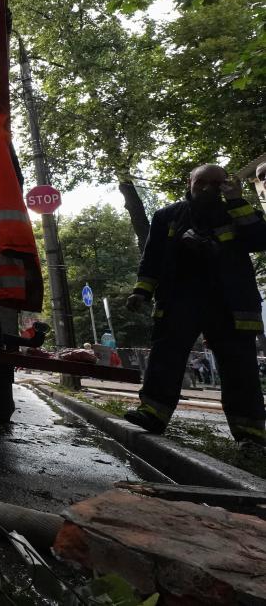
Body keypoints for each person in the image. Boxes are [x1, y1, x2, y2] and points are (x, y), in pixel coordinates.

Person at [124, 164, 266, 449]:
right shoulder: (167, 216)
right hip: (180, 299)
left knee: (240, 367)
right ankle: (153, 412)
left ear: (225, 185)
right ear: (189, 182)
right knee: (166, 355)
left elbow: (260, 239)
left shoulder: (238, 211)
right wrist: (142, 292)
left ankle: (251, 434)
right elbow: (152, 259)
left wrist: (237, 200)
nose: (207, 188)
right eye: (201, 182)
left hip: (231, 303)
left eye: (216, 183)